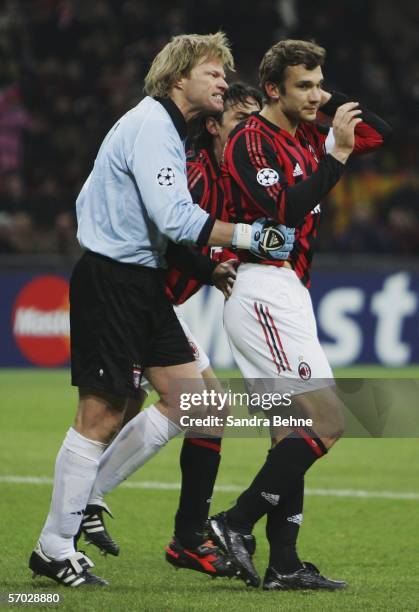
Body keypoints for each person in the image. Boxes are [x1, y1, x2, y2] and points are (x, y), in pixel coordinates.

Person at [28, 32, 293, 588]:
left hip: (141, 283)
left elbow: (160, 230)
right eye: (213, 71)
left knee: (201, 405)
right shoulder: (152, 125)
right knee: (100, 415)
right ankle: (54, 547)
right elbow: (175, 219)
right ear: (178, 78)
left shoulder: (167, 130)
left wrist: (207, 266)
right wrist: (251, 236)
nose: (224, 79)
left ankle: (91, 500)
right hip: (114, 282)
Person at [208, 39, 392, 590]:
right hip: (261, 287)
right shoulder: (250, 141)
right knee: (327, 421)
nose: (315, 95)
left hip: (289, 291)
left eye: (320, 84)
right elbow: (282, 213)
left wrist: (325, 102)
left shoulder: (309, 130)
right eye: (303, 86)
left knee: (290, 432)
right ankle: (234, 522)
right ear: (272, 90)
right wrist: (335, 155)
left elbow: (378, 132)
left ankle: (283, 564)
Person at [75, 83, 266, 578]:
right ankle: (92, 506)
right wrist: (213, 263)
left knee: (201, 408)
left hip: (158, 303)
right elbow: (173, 234)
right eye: (241, 123)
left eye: (256, 124)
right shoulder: (196, 175)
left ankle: (178, 534)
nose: (251, 134)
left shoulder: (227, 173)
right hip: (139, 298)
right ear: (211, 126)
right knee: (131, 411)